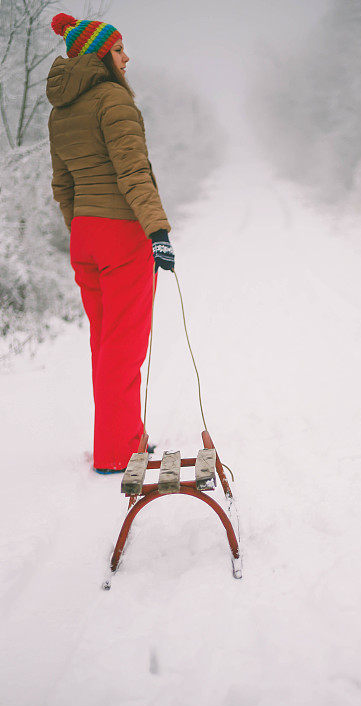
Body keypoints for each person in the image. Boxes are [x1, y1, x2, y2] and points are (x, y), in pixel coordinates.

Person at [47, 13, 175, 474]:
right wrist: (156, 231)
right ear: (101, 55)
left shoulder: (60, 110)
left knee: (105, 342)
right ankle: (119, 452)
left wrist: (82, 227)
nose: (127, 57)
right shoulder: (112, 100)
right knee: (124, 345)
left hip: (84, 233)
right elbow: (132, 172)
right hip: (122, 232)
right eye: (119, 49)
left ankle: (121, 438)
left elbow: (63, 186)